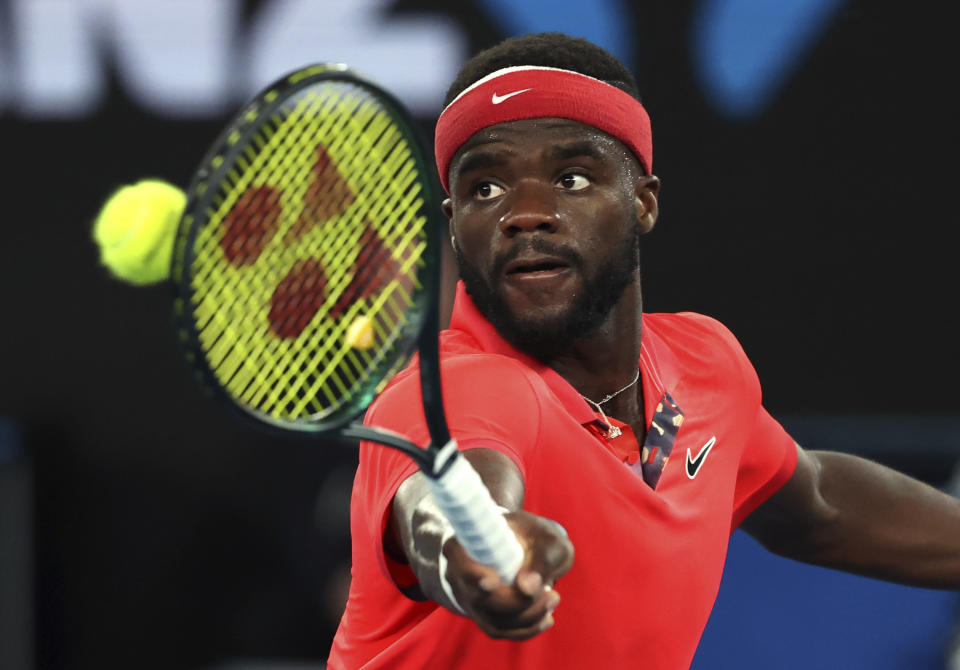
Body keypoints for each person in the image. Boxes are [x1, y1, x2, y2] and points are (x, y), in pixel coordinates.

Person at [327, 33, 960, 669]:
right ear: (455, 222)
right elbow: (438, 508)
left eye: (571, 177)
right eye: (486, 189)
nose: (525, 213)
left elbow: (815, 503)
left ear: (643, 202)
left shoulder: (704, 363)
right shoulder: (452, 389)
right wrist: (478, 552)